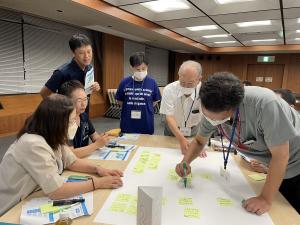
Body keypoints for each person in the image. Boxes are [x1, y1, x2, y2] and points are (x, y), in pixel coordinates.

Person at [176, 72, 300, 215]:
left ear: (234, 108)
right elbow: (199, 141)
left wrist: (265, 199)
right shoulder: (212, 103)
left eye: (216, 118)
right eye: (206, 114)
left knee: (288, 213)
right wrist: (185, 162)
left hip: (295, 163)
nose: (210, 120)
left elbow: (281, 156)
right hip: (273, 166)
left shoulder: (265, 105)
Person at [0, 94, 123, 216]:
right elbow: (56, 191)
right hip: (11, 208)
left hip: (33, 193)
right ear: (56, 123)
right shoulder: (33, 144)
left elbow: (71, 161)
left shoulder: (52, 135)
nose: (75, 124)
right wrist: (97, 183)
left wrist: (98, 169)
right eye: (71, 121)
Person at [40, 33, 100, 114]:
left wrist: (94, 86)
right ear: (73, 53)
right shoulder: (62, 72)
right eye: (81, 53)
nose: (87, 56)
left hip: (84, 113)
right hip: (66, 116)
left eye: (89, 51)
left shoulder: (89, 68)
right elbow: (44, 93)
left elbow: (86, 90)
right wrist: (60, 108)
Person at [160, 60, 203, 155]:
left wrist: (200, 142)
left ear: (199, 79)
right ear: (179, 75)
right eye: (182, 82)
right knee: (168, 155)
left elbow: (207, 119)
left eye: (190, 83)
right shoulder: (169, 89)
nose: (186, 86)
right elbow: (169, 116)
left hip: (195, 131)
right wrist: (181, 139)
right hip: (173, 130)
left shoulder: (205, 91)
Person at [59, 80, 110, 158]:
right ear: (66, 101)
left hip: (84, 158)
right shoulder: (63, 122)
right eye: (79, 101)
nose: (83, 104)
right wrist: (96, 145)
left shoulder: (83, 116)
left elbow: (94, 136)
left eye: (85, 99)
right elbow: (70, 155)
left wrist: (102, 139)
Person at [115, 52, 161, 134]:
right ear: (132, 67)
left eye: (143, 69)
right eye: (138, 69)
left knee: (146, 145)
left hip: (146, 123)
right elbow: (120, 100)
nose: (141, 71)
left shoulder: (152, 82)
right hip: (128, 124)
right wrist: (131, 104)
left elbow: (155, 101)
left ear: (147, 67)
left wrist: (144, 105)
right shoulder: (124, 82)